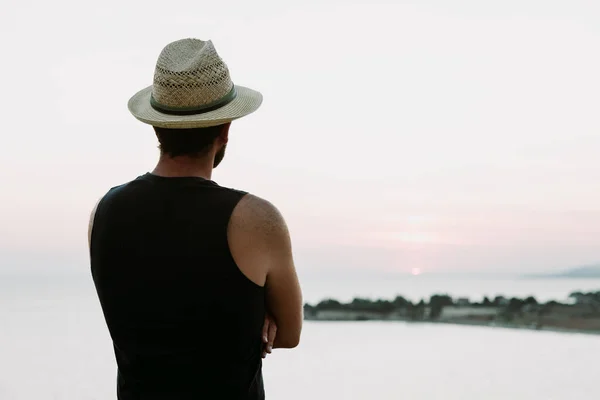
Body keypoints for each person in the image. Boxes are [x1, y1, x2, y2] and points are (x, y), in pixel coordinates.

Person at [88, 38, 303, 400]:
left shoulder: (104, 210)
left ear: (156, 126)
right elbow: (289, 334)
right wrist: (257, 317)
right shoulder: (255, 218)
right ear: (225, 130)